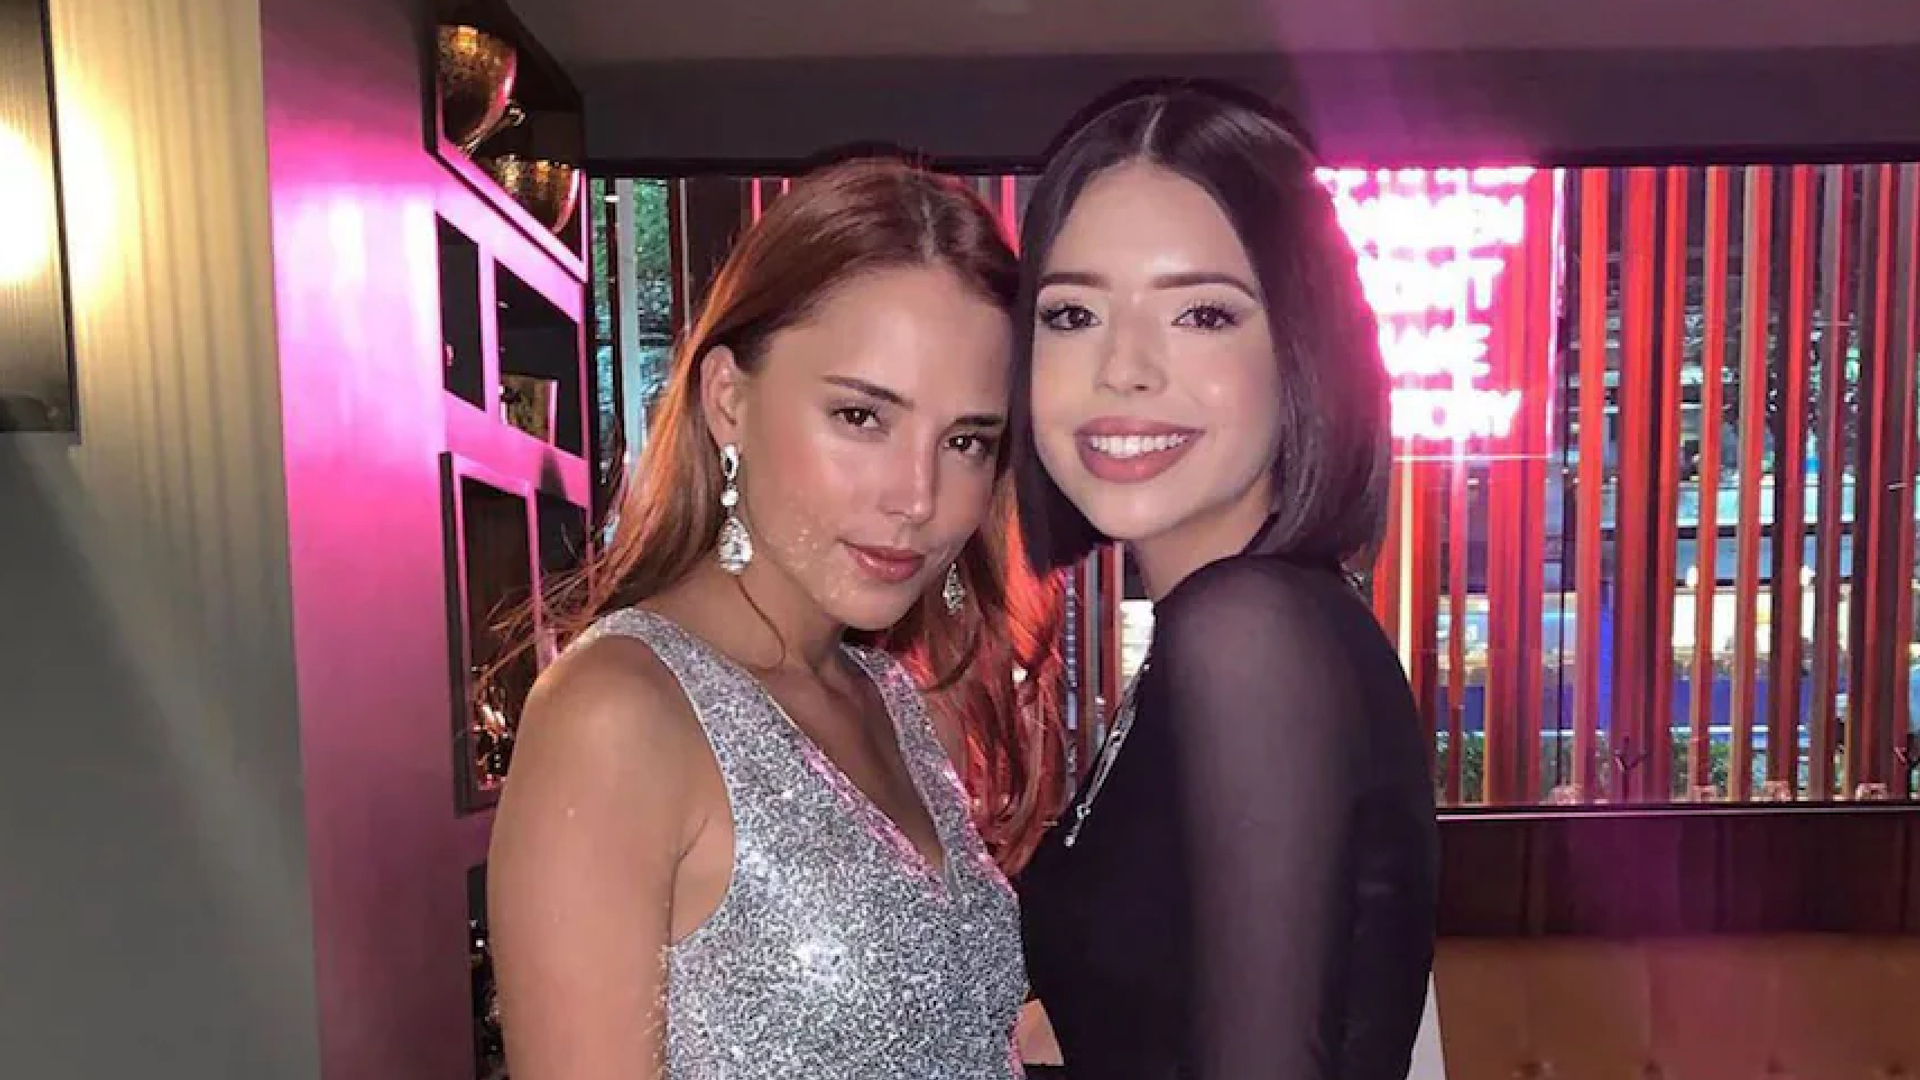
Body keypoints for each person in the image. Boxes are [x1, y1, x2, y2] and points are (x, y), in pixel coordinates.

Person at [486, 158, 1064, 1080]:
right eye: (861, 416)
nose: (917, 497)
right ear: (729, 400)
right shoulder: (619, 713)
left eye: (965, 440)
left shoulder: (897, 697)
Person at [1010, 80, 1439, 1079]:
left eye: (1202, 313)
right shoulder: (1241, 627)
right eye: (1072, 313)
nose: (1122, 368)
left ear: (1301, 350)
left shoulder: (1249, 633)